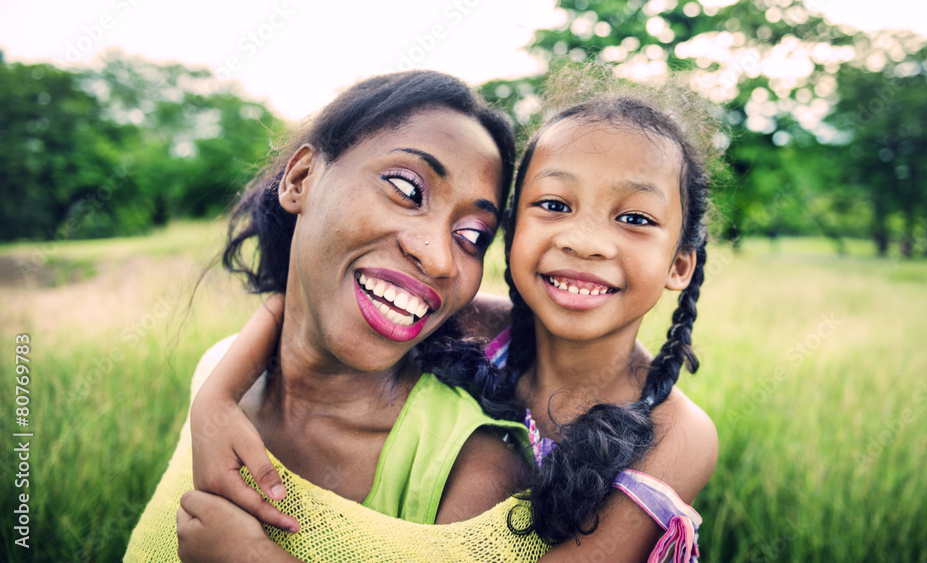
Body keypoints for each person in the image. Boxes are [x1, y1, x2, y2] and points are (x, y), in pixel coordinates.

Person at [178, 71, 719, 562]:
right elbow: (302, 305)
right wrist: (216, 398)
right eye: (554, 205)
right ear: (511, 235)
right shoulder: (481, 325)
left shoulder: (676, 432)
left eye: (634, 217)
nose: (584, 242)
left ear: (679, 264)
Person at [124, 70, 552, 562]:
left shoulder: (472, 475)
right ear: (301, 178)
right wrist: (217, 394)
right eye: (407, 189)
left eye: (473, 236)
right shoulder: (219, 377)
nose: (439, 258)